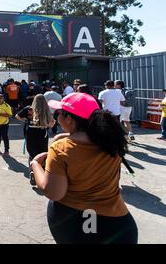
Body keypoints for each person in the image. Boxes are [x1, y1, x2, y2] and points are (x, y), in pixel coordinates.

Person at [30, 92, 138, 244]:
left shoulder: (61, 148)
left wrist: (35, 164)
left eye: (59, 113)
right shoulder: (112, 141)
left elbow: (54, 192)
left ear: (69, 119)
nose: (56, 117)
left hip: (74, 224)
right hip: (119, 226)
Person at [16, 94, 55, 186]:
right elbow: (52, 123)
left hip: (31, 134)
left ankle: (33, 172)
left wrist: (26, 121)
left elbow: (17, 116)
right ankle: (43, 173)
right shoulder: (46, 110)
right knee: (43, 153)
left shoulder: (28, 109)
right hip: (42, 134)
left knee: (32, 154)